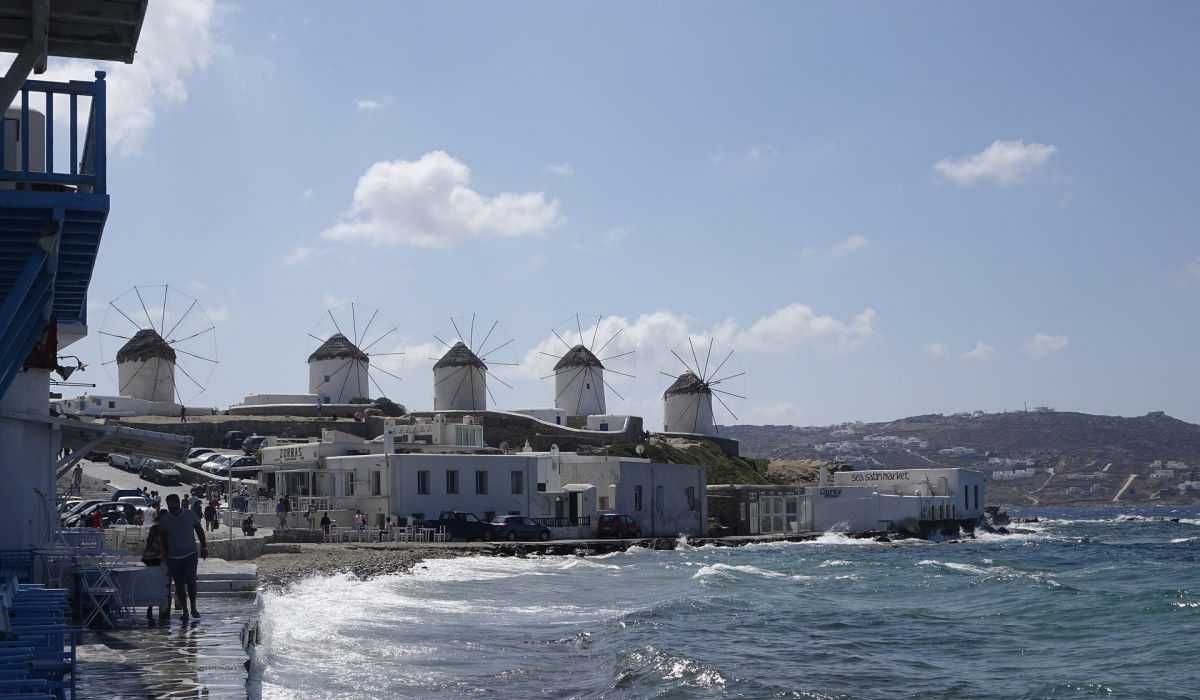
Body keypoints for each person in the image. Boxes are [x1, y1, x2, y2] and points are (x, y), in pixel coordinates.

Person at [156, 493, 207, 622]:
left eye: (174, 507)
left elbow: (199, 530)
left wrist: (204, 547)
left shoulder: (189, 514)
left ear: (179, 504)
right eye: (170, 508)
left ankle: (193, 607)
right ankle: (185, 611)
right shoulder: (165, 520)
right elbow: (162, 539)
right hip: (174, 557)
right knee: (179, 585)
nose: (172, 510)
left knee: (191, 579)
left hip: (190, 554)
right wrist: (165, 553)